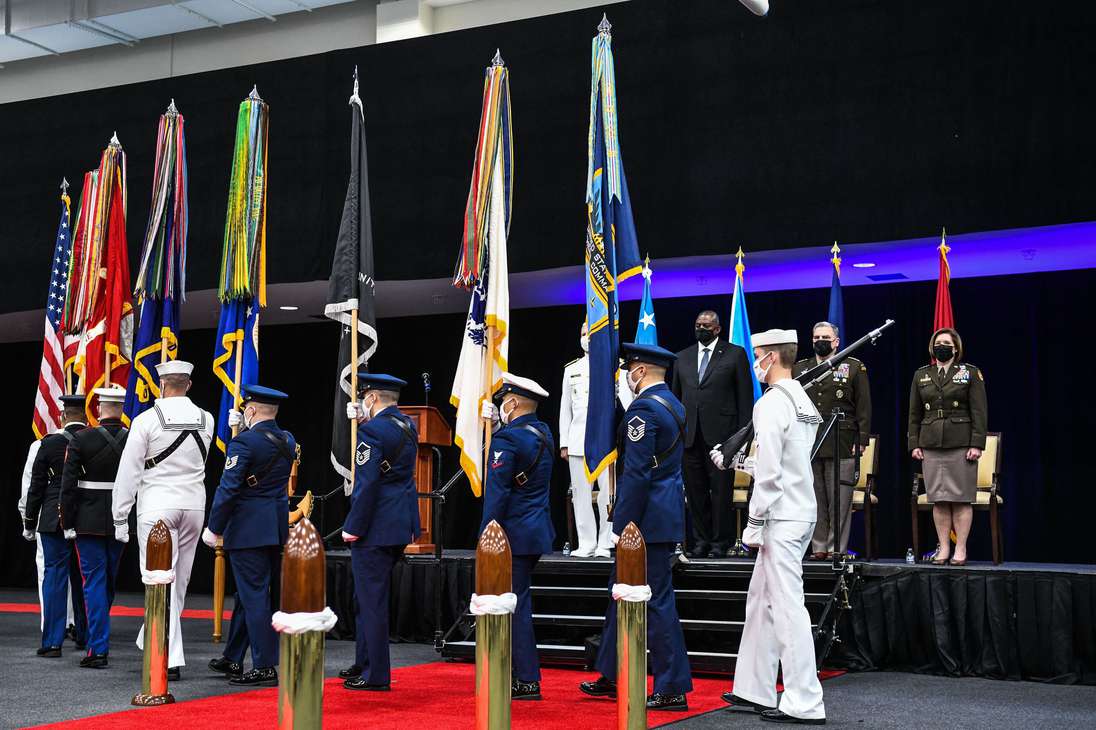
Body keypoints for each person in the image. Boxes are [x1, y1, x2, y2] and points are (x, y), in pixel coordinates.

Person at [718, 328, 826, 725]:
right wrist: (735, 461)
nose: (754, 362)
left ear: (770, 357)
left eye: (757, 354)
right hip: (799, 508)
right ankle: (754, 686)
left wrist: (752, 521)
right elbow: (786, 460)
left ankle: (805, 701)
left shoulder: (770, 403)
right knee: (761, 602)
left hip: (779, 515)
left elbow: (768, 472)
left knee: (785, 606)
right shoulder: (801, 398)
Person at [581, 343, 692, 711]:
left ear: (640, 372)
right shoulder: (673, 404)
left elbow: (638, 474)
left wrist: (620, 525)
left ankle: (672, 686)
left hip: (645, 521)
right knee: (619, 593)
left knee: (656, 602)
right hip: (663, 513)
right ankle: (612, 672)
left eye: (630, 369)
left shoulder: (643, 410)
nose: (628, 376)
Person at [113, 360, 213, 679]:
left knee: (158, 582)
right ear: (189, 385)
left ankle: (167, 658)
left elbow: (129, 473)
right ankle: (153, 639)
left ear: (161, 385)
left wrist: (119, 518)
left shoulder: (145, 421)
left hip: (157, 505)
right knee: (178, 585)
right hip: (194, 505)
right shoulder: (207, 419)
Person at [203, 384, 296, 687]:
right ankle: (233, 657)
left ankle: (265, 665)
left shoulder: (244, 443)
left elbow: (229, 488)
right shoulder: (287, 439)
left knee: (254, 596)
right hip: (274, 525)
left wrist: (214, 526)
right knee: (248, 595)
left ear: (251, 410)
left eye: (246, 409)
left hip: (247, 528)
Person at [339, 374, 420, 692]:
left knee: (370, 600)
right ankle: (364, 661)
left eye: (364, 399)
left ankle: (376, 674)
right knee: (366, 598)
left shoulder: (371, 431)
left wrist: (353, 526)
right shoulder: (408, 425)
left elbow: (367, 483)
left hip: (375, 526)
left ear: (371, 398)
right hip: (401, 523)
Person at [481, 372, 555, 701]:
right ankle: (521, 672)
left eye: (503, 403)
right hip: (536, 530)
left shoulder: (508, 440)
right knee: (519, 600)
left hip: (511, 534)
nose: (501, 408)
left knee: (515, 604)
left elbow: (497, 493)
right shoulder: (543, 432)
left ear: (511, 403)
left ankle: (526, 677)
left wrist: (486, 536)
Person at [672, 310, 754, 558]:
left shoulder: (735, 354)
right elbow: (676, 399)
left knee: (720, 493)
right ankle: (701, 541)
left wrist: (741, 439)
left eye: (706, 325)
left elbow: (745, 399)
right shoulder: (681, 357)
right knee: (696, 493)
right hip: (690, 437)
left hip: (723, 439)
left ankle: (721, 542)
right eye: (698, 325)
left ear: (717, 329)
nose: (701, 329)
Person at [60, 386, 129, 668]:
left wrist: (67, 521)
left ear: (99, 409)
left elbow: (68, 486)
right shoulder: (133, 437)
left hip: (87, 521)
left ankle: (97, 647)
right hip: (120, 518)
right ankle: (98, 636)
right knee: (107, 581)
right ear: (121, 409)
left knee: (94, 583)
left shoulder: (81, 439)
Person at [908, 327, 987, 566]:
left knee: (961, 499)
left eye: (946, 343)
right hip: (931, 442)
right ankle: (943, 548)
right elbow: (914, 413)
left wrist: (977, 443)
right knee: (939, 499)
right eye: (938, 343)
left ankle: (960, 548)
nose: (941, 346)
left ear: (955, 348)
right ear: (933, 347)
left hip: (961, 443)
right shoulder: (922, 374)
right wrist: (914, 443)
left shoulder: (970, 373)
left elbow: (979, 411)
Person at [792, 322, 871, 558]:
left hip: (842, 439)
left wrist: (863, 439)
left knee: (839, 499)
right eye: (816, 337)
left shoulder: (853, 367)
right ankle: (818, 548)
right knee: (814, 497)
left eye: (825, 337)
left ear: (836, 341)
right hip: (808, 440)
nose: (820, 341)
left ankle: (836, 548)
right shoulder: (800, 368)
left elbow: (864, 407)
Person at [23, 393, 89, 658]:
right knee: (85, 579)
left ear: (62, 416)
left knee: (54, 578)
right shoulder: (95, 440)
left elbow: (35, 486)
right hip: (86, 518)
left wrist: (29, 521)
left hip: (53, 518)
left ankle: (52, 641)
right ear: (86, 417)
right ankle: (85, 635)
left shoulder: (47, 444)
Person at [559, 323, 613, 557]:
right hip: (578, 440)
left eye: (590, 334)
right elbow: (565, 409)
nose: (586, 338)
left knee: (607, 494)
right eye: (583, 334)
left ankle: (605, 542)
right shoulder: (571, 369)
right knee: (581, 495)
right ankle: (586, 543)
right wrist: (564, 442)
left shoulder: (613, 366)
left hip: (605, 441)